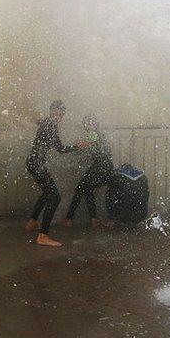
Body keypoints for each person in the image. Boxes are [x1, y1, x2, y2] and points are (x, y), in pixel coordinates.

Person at [24, 100, 88, 247]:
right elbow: (60, 148)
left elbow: (59, 148)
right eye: (55, 112)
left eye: (60, 114)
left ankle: (32, 223)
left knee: (48, 193)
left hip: (34, 162)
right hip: (36, 164)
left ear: (62, 115)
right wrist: (77, 146)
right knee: (55, 196)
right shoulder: (50, 124)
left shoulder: (48, 123)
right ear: (51, 111)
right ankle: (43, 236)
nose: (57, 116)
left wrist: (76, 146)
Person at [60, 114, 115, 229]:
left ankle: (69, 219)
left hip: (100, 168)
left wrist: (72, 149)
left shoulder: (93, 134)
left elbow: (82, 148)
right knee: (86, 188)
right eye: (86, 123)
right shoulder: (99, 134)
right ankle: (94, 220)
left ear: (94, 124)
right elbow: (96, 149)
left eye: (89, 123)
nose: (86, 125)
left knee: (81, 188)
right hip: (106, 168)